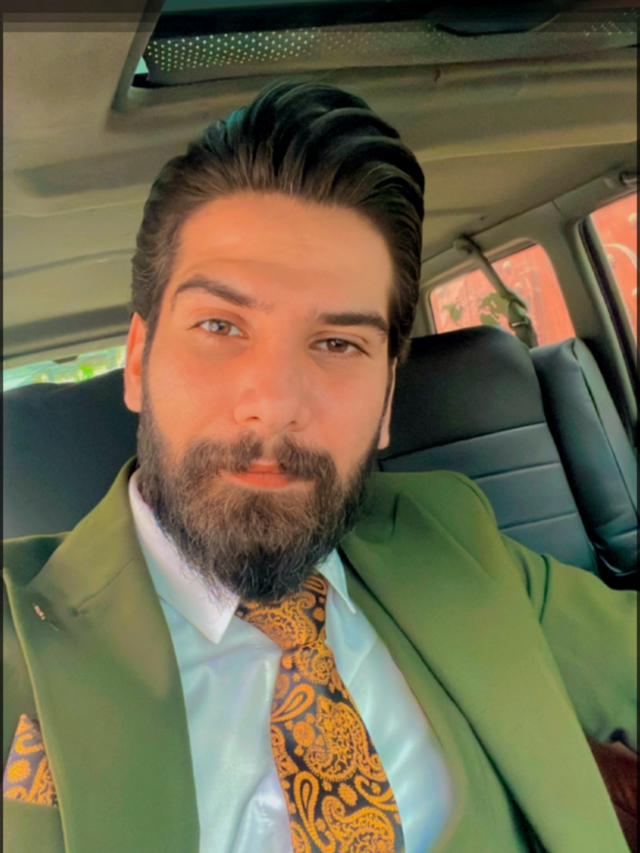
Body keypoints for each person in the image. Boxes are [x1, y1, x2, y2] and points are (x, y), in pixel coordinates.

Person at [3, 81, 636, 853]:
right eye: (220, 325)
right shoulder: (18, 630)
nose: (274, 403)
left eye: (338, 343)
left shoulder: (452, 534)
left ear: (387, 398)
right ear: (138, 360)